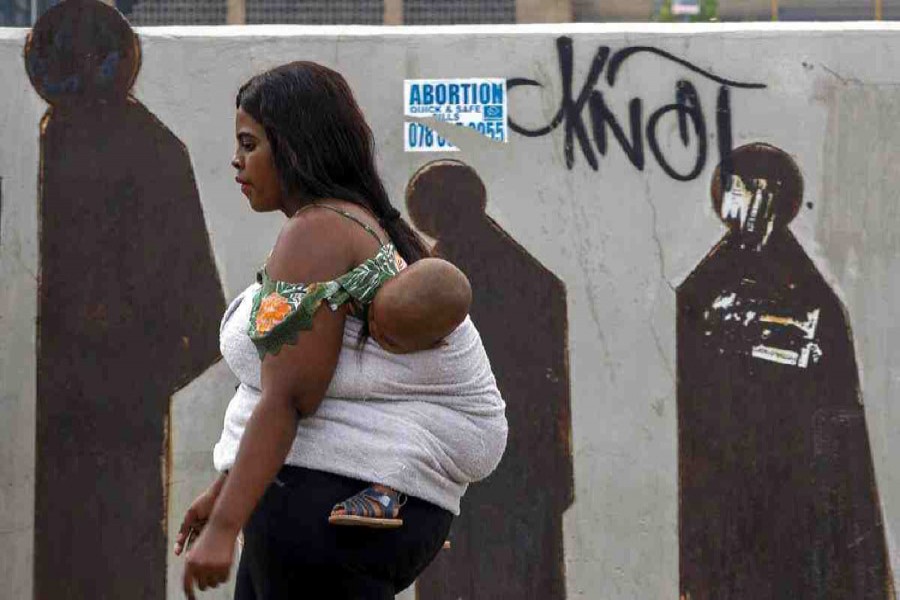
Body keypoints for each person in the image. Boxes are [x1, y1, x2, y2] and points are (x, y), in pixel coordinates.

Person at [173, 61, 507, 600]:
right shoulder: (358, 224)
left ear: (294, 147)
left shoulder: (317, 232)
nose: (236, 161)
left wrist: (224, 527)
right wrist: (225, 491)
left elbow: (289, 399)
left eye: (249, 143)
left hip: (313, 520)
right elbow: (326, 404)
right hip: (325, 512)